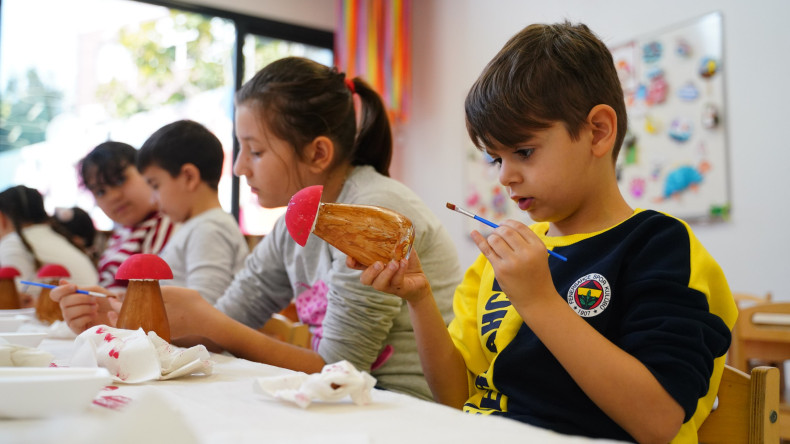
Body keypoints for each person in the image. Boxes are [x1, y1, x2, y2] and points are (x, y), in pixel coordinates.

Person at [349, 22, 737, 443]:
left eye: (524, 152)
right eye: (496, 158)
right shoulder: (497, 261)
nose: (505, 177)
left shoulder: (657, 246)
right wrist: (419, 299)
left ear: (598, 131)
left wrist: (539, 301)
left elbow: (658, 421)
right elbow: (456, 398)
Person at [53, 56, 463, 401]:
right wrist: (115, 316)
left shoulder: (373, 211)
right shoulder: (293, 226)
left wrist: (209, 323)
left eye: (256, 150)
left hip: (408, 407)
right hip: (350, 403)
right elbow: (227, 321)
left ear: (318, 152)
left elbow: (339, 369)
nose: (238, 168)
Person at [135, 119, 249, 304]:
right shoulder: (198, 226)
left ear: (189, 177)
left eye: (155, 185)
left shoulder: (209, 229)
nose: (152, 199)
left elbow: (205, 310)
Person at [78, 141, 175, 293]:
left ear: (145, 171)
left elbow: (155, 297)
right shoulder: (120, 235)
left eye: (120, 180)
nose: (113, 197)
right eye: (101, 192)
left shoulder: (167, 223)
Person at [0, 185, 99, 305]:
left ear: (2, 218)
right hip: (92, 311)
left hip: (64, 318)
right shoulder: (57, 236)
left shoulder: (12, 243)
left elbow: (13, 301)